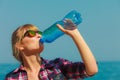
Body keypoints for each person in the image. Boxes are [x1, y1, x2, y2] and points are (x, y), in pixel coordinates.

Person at [5, 21, 98, 80]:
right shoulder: (12, 78)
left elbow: (92, 70)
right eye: (32, 33)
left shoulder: (58, 66)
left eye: (39, 32)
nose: (39, 35)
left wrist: (75, 34)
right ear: (20, 45)